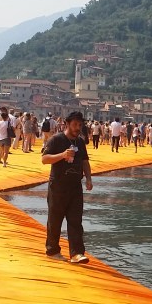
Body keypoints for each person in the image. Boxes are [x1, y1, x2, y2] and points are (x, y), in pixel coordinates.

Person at [41, 111, 93, 264]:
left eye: (80, 125)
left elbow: (84, 161)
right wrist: (62, 155)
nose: (78, 127)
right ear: (67, 124)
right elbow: (44, 159)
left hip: (75, 186)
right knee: (55, 220)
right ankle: (52, 250)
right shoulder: (56, 140)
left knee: (76, 221)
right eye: (75, 124)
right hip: (57, 185)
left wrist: (89, 178)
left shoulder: (80, 142)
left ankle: (77, 253)